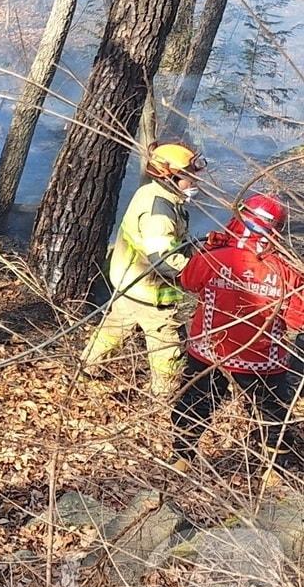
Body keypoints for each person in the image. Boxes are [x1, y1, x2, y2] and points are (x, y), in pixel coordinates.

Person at [170, 193, 304, 472]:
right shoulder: (285, 269)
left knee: (196, 403)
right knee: (271, 412)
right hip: (261, 359)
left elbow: (188, 281)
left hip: (209, 352)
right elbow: (297, 318)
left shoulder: (213, 255)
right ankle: (274, 467)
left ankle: (181, 458)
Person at [80, 142, 205, 398]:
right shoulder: (159, 211)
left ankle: (88, 366)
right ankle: (164, 394)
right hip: (150, 290)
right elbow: (163, 257)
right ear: (169, 176)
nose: (194, 181)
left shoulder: (155, 194)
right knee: (166, 345)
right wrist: (196, 273)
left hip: (130, 281)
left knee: (116, 326)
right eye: (188, 176)